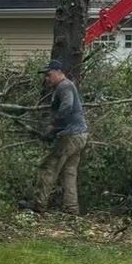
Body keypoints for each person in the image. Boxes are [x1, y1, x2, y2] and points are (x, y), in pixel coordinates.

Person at [34, 59, 89, 215]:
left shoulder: (64, 86)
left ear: (59, 72)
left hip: (70, 135)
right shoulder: (67, 86)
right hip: (81, 134)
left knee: (48, 167)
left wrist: (52, 127)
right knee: (69, 172)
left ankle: (38, 206)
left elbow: (66, 107)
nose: (46, 78)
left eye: (49, 75)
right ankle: (71, 209)